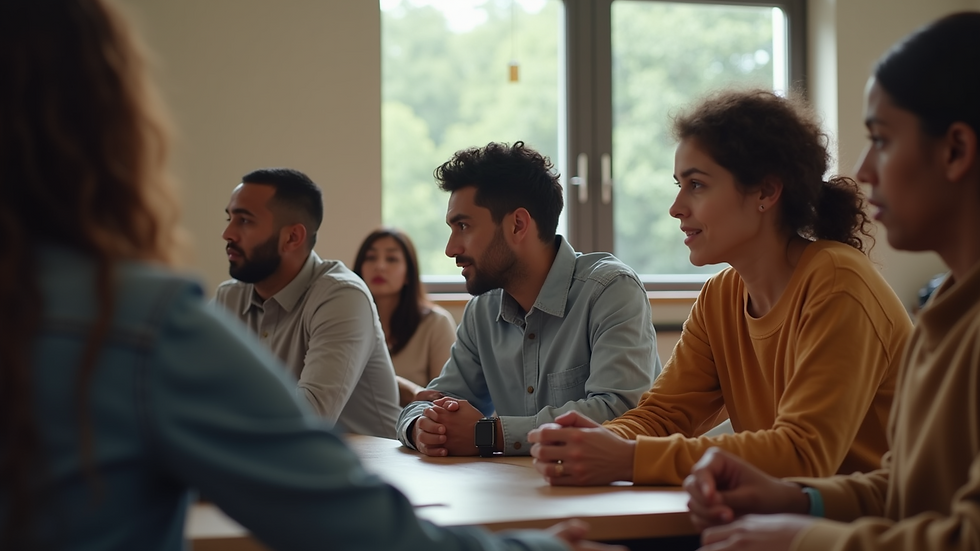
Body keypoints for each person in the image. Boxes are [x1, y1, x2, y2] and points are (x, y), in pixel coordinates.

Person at [0, 1, 623, 549]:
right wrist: (433, 426)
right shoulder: (146, 324)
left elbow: (622, 412)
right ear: (116, 131)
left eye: (244, 220)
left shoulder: (600, 289)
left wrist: (484, 433)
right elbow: (406, 435)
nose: (226, 234)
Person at [684, 12, 980, 551]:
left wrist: (803, 538)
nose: (863, 170)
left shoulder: (841, 281)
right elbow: (903, 492)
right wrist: (797, 500)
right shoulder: (947, 308)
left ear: (956, 150)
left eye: (881, 140)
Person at [527, 89, 912, 486]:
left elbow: (802, 453)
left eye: (696, 184)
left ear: (766, 192)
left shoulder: (837, 281)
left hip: (878, 520)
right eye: (679, 184)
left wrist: (628, 458)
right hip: (784, 515)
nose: (676, 207)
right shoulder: (720, 297)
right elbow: (662, 416)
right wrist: (594, 441)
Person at [396, 141, 660, 458]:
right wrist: (421, 427)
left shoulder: (610, 290)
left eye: (463, 226)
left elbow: (621, 412)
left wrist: (489, 435)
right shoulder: (483, 311)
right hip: (520, 486)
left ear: (518, 225)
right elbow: (435, 400)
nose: (451, 249)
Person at [214, 168, 401, 438]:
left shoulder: (341, 296)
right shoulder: (229, 297)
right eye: (229, 218)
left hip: (362, 462)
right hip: (267, 458)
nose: (227, 233)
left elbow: (309, 418)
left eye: (244, 221)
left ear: (292, 237)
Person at [353, 228, 458, 406]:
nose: (379, 266)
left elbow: (445, 399)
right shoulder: (347, 323)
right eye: (370, 257)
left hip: (416, 421)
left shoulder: (436, 323)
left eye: (391, 259)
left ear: (409, 274)